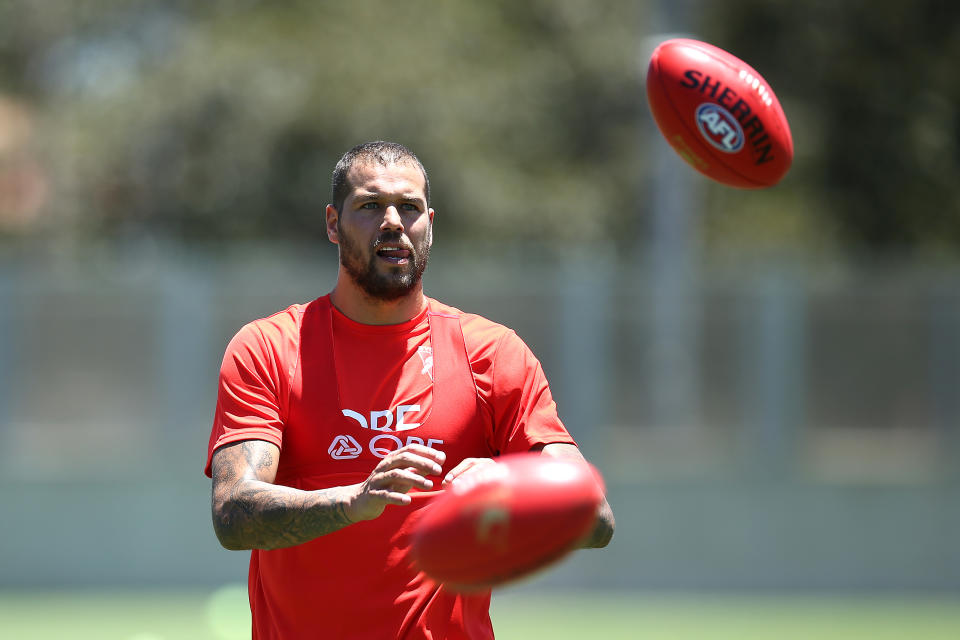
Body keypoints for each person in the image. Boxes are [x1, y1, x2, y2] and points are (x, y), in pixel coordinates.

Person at [204, 141, 615, 639]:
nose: (394, 221)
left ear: (430, 223)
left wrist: (509, 489)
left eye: (410, 207)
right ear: (333, 224)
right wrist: (355, 500)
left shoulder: (491, 353)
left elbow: (595, 517)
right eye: (371, 205)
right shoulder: (269, 348)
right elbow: (233, 514)